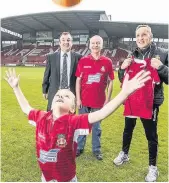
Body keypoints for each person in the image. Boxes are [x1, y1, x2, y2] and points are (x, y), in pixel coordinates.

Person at [4, 68, 150, 182]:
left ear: (72, 108)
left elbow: (102, 113)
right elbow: (26, 108)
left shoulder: (73, 122)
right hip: (45, 178)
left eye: (67, 96)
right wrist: (16, 88)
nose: (60, 96)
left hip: (67, 179)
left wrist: (124, 94)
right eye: (58, 95)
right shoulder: (41, 117)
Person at [114, 25, 168, 182]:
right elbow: (123, 80)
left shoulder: (163, 54)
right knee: (127, 130)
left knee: (151, 135)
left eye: (144, 35)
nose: (140, 38)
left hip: (150, 102)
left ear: (151, 36)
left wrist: (162, 67)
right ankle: (124, 154)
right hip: (132, 100)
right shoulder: (132, 54)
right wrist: (122, 69)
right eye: (138, 35)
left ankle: (153, 167)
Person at [75, 35, 114, 160]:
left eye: (98, 43)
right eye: (93, 43)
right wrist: (78, 99)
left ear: (101, 45)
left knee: (97, 127)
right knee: (82, 126)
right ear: (89, 45)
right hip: (84, 101)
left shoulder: (107, 62)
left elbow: (111, 81)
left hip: (99, 102)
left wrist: (108, 99)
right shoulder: (83, 60)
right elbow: (78, 80)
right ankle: (79, 148)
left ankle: (96, 150)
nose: (95, 45)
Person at [42, 32, 82, 111]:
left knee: (69, 118)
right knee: (52, 117)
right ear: (60, 43)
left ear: (71, 43)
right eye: (63, 40)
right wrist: (44, 90)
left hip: (70, 94)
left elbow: (80, 78)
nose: (66, 42)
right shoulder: (51, 57)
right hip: (55, 92)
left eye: (68, 40)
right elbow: (47, 75)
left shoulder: (78, 57)